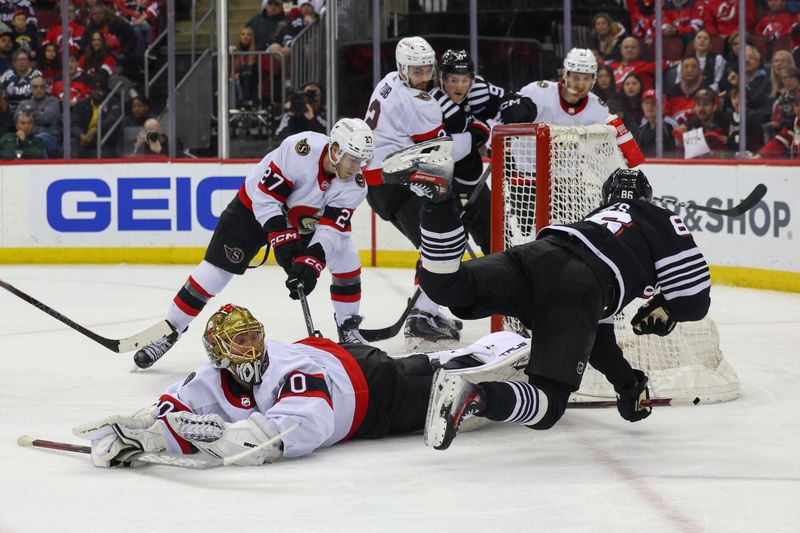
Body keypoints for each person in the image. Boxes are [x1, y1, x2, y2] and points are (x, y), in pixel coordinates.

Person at [381, 151, 710, 449]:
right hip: (581, 286)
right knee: (549, 404)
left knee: (448, 285)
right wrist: (666, 308)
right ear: (647, 198)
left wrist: (627, 384)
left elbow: (600, 342)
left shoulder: (599, 219)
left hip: (537, 254)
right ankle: (474, 395)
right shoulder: (660, 217)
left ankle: (438, 200)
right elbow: (696, 299)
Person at [73, 303, 525, 467]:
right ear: (218, 351)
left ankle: (509, 353)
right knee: (420, 365)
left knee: (448, 384)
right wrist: (136, 434)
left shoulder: (289, 371)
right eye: (239, 341)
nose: (251, 348)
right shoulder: (209, 378)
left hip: (372, 391)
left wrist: (224, 437)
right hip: (345, 364)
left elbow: (301, 429)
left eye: (254, 336)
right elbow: (172, 406)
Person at [131, 118, 375, 369]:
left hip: (302, 221)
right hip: (253, 207)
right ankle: (170, 330)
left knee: (346, 257)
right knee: (214, 273)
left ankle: (348, 328)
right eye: (354, 159)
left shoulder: (354, 186)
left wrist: (310, 264)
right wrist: (282, 242)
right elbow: (266, 198)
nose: (358, 168)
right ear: (335, 150)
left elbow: (331, 230)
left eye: (363, 161)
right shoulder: (299, 150)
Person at [362, 36, 471, 347]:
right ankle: (422, 317)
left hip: (380, 185)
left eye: (427, 70)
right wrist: (477, 135)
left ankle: (427, 311)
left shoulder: (387, 83)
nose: (423, 78)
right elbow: (443, 149)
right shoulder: (419, 103)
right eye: (417, 72)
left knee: (435, 246)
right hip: (399, 181)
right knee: (441, 247)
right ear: (402, 68)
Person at [500, 48, 645, 168]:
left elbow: (631, 157)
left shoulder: (598, 109)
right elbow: (503, 117)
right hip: (526, 176)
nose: (581, 84)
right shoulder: (536, 93)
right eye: (576, 78)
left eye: (586, 79)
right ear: (565, 76)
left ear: (593, 80)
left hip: (567, 182)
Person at [429, 49, 491, 255]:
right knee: (443, 249)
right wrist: (475, 134)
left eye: (465, 80)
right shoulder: (428, 104)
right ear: (442, 80)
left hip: (473, 184)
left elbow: (485, 129)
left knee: (497, 237)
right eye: (453, 80)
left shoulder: (474, 100)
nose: (460, 86)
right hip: (441, 186)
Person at [70, 76, 122, 158]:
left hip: (104, 137)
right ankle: (72, 167)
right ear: (90, 90)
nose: (98, 92)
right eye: (95, 89)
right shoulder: (82, 104)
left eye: (101, 90)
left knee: (107, 144)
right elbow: (74, 124)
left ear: (106, 91)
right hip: (85, 137)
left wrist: (95, 131)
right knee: (72, 142)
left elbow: (111, 120)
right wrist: (82, 136)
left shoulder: (113, 102)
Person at [14, 75, 61, 156]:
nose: (38, 89)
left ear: (45, 88)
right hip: (27, 136)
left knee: (38, 140)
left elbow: (45, 118)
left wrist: (28, 114)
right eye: (35, 87)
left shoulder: (53, 101)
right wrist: (38, 112)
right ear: (30, 88)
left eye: (41, 86)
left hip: (50, 138)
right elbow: (16, 119)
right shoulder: (24, 103)